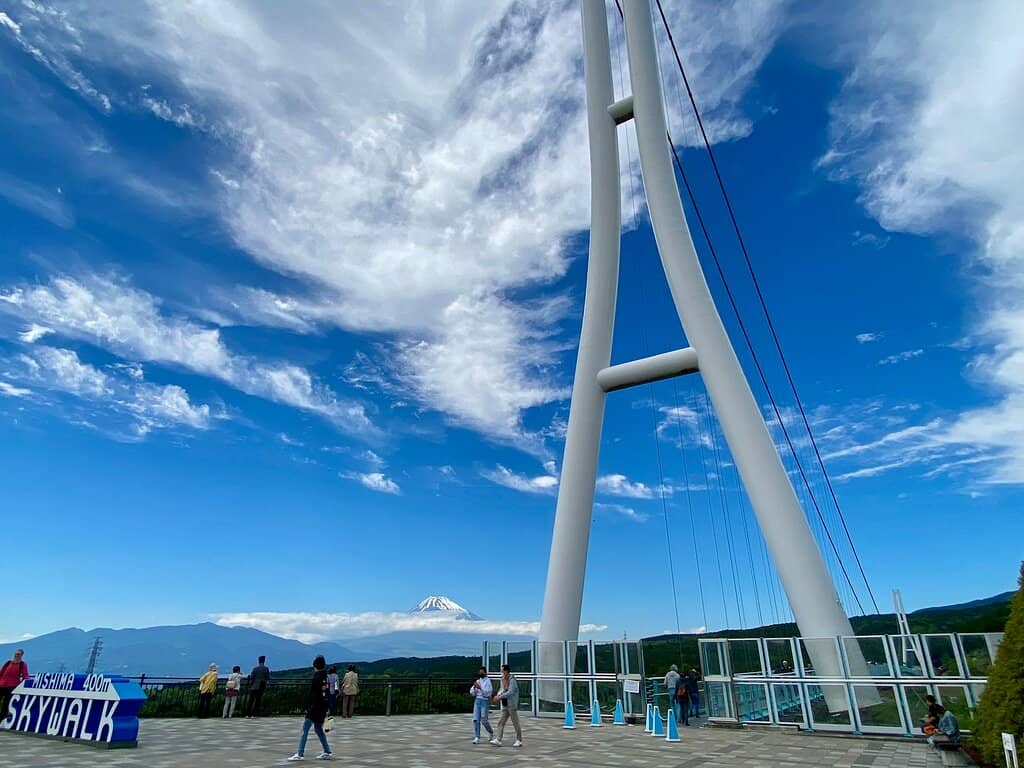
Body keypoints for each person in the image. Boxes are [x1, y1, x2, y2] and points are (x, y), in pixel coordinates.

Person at [287, 655, 332, 762]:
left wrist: (308, 707)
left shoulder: (316, 677)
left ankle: (300, 753)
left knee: (305, 729)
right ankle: (327, 751)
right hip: (322, 708)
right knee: (318, 729)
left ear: (315, 665)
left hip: (314, 708)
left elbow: (312, 695)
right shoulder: (326, 677)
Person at [491, 664, 522, 748]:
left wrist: (500, 697)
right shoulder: (503, 679)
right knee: (501, 722)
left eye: (502, 670)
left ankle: (519, 740)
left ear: (506, 671)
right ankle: (498, 739)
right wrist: (498, 695)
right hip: (505, 704)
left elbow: (510, 692)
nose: (501, 672)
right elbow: (502, 689)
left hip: (511, 704)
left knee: (515, 722)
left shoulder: (512, 680)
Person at [0, 649, 29, 722]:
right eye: (16, 654)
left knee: (6, 705)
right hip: (2, 685)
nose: (16, 655)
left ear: (21, 655)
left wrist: (23, 684)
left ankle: (1, 719)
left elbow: (25, 675)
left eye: (18, 654)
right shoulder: (8, 663)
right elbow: (1, 673)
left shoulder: (22, 665)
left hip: (12, 687)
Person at [469, 666, 494, 744]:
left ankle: (490, 731)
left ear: (485, 672)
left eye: (482, 672)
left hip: (484, 701)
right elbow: (472, 692)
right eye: (479, 672)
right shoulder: (478, 681)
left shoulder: (488, 681)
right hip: (477, 700)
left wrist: (480, 688)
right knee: (476, 719)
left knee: (484, 719)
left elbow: (488, 693)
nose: (480, 673)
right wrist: (475, 688)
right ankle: (477, 737)